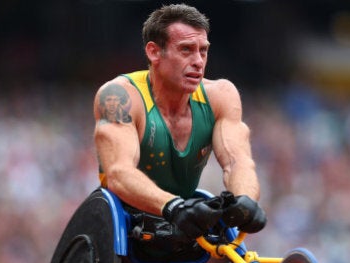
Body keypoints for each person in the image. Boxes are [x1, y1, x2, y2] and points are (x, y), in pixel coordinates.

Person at [93, 3, 266, 244]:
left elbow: (238, 162)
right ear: (154, 52)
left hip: (183, 217)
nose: (198, 61)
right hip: (123, 224)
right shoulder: (120, 96)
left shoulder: (222, 95)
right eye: (186, 50)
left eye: (203, 51)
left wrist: (245, 200)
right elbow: (119, 173)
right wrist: (173, 206)